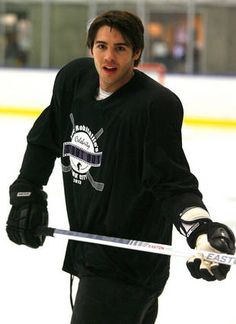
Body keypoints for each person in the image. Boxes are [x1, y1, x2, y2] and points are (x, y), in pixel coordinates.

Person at [6, 10, 235, 324]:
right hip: (89, 253)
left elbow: (170, 180)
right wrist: (27, 189)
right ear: (90, 48)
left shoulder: (154, 106)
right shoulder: (74, 80)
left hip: (129, 266)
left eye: (120, 48)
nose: (108, 57)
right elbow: (45, 136)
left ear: (137, 52)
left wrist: (199, 229)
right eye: (101, 46)